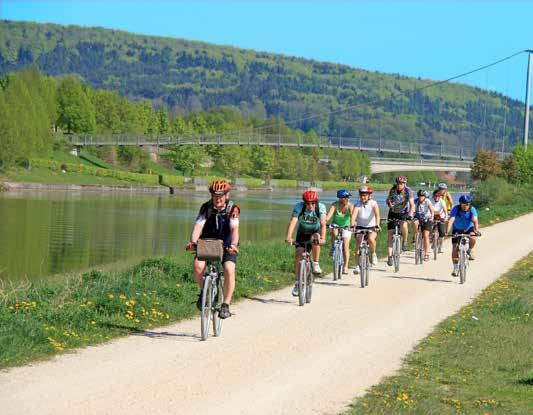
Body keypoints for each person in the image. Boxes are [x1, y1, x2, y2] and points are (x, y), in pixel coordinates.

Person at [186, 179, 240, 319]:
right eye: (214, 195)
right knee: (198, 267)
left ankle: (225, 305)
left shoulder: (233, 209)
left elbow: (234, 229)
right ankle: (206, 291)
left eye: (220, 195)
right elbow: (198, 226)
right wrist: (193, 241)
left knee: (229, 269)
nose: (217, 198)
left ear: (226, 195)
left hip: (227, 244)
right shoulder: (206, 208)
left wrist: (233, 244)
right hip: (208, 243)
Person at [285, 190, 327, 296]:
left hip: (315, 231)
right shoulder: (299, 206)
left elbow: (323, 223)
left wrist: (323, 237)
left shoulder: (320, 207)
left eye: (313, 203)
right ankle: (298, 283)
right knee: (299, 254)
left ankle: (316, 263)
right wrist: (289, 237)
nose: (310, 205)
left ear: (316, 202)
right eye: (307, 203)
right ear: (304, 202)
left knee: (315, 239)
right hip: (302, 233)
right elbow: (293, 221)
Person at [446, 194, 481, 277]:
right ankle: (455, 268)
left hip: (469, 228)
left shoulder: (472, 209)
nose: (466, 206)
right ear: (460, 203)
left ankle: (470, 250)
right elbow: (451, 220)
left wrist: (477, 230)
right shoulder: (456, 208)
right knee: (455, 248)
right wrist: (446, 232)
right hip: (457, 229)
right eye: (464, 204)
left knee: (472, 237)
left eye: (468, 204)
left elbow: (475, 220)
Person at [351, 186, 380, 273]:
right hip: (360, 227)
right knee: (358, 245)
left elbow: (377, 215)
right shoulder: (357, 205)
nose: (362, 197)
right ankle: (357, 266)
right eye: (361, 195)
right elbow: (353, 216)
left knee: (371, 239)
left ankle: (373, 253)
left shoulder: (373, 203)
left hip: (372, 226)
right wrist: (352, 225)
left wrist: (377, 224)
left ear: (369, 196)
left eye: (364, 195)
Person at [386, 175, 415, 266]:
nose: (399, 185)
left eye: (401, 183)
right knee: (390, 233)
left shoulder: (408, 191)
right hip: (393, 212)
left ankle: (404, 242)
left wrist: (410, 215)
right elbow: (388, 200)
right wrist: (390, 204)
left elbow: (412, 205)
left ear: (405, 184)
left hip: (403, 212)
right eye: (398, 183)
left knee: (404, 225)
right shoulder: (393, 189)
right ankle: (390, 257)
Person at [325, 189, 354, 275]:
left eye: (347, 198)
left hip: (346, 227)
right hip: (336, 225)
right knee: (334, 233)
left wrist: (352, 225)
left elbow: (353, 216)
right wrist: (324, 222)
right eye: (343, 198)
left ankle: (345, 266)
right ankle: (333, 248)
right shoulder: (334, 205)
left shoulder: (350, 206)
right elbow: (329, 216)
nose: (345, 200)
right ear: (340, 198)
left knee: (345, 245)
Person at [412, 189, 435, 261]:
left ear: (424, 196)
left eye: (422, 196)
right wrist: (411, 215)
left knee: (425, 236)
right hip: (418, 218)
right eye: (419, 196)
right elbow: (412, 208)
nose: (420, 197)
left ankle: (427, 254)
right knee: (414, 222)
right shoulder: (415, 201)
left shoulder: (427, 201)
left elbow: (432, 210)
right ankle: (415, 236)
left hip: (427, 219)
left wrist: (432, 217)